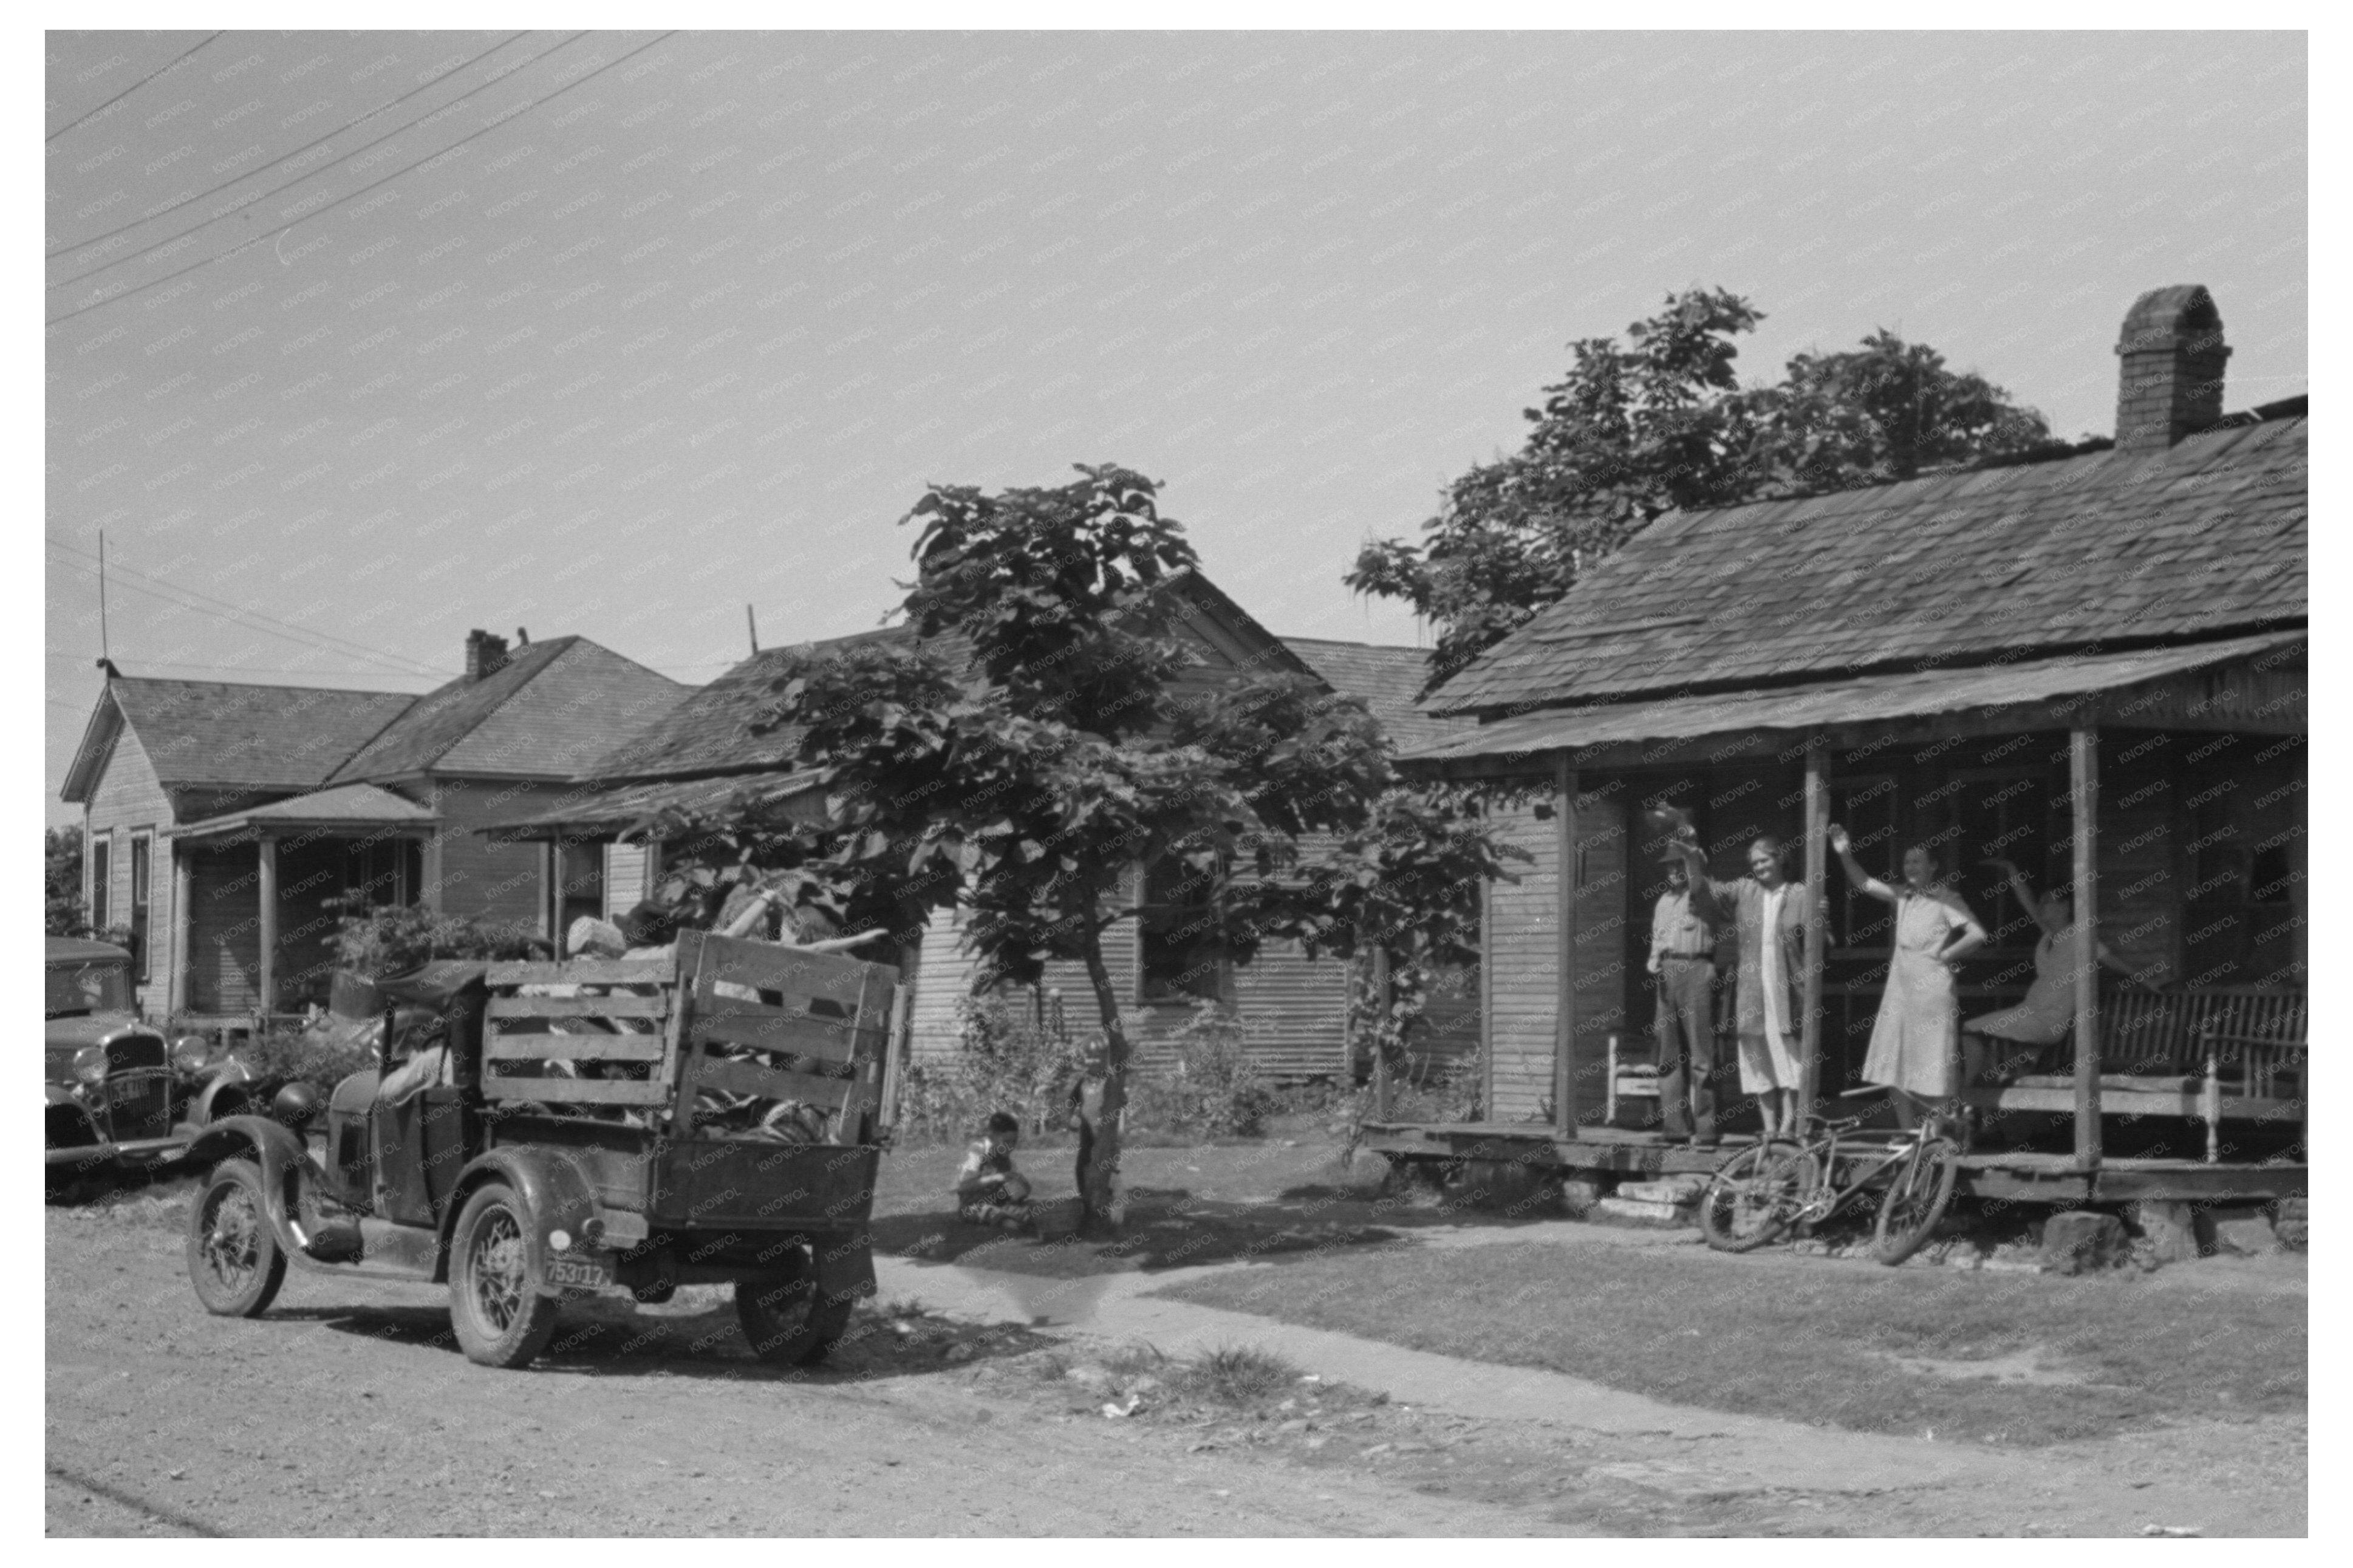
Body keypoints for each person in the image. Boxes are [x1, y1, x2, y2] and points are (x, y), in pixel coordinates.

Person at [1830, 830, 1990, 1131]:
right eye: (1907, 863)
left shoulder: (1946, 898)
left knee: (1932, 1067)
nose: (1911, 868)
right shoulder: (1904, 896)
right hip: (1899, 990)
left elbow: (1978, 934)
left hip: (1931, 992)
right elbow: (1865, 883)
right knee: (1893, 1065)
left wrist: (1945, 955)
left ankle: (1932, 1138)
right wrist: (1844, 853)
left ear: (1933, 867)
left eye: (1918, 862)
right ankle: (1907, 1134)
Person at [1667, 834, 1815, 1140]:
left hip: (1787, 988)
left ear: (1780, 859)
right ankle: (1770, 1127)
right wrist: (1693, 861)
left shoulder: (1801, 894)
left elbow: (1819, 940)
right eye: (1755, 863)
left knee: (1788, 1054)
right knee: (1756, 1054)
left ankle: (1790, 1125)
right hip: (1752, 987)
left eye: (1765, 860)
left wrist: (1821, 913)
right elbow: (1705, 891)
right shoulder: (1745, 891)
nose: (1759, 867)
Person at [1962, 858, 2142, 1085]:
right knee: (1971, 1031)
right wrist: (2012, 869)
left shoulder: (2080, 937)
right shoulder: (2049, 934)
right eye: (2042, 901)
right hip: (2028, 1011)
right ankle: (1993, 1079)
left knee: (1973, 1030)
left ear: (2065, 907)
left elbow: (2114, 962)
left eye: (2048, 901)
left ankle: (1966, 1094)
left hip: (2049, 1021)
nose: (2041, 906)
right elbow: (2027, 902)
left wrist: (2149, 978)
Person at [1646, 850, 1725, 1144]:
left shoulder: (1702, 893)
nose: (1673, 872)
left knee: (1701, 1055)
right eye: (1669, 866)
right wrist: (1654, 960)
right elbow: (1657, 939)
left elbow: (1695, 877)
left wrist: (1690, 852)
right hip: (1668, 972)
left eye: (1680, 865)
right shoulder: (1663, 901)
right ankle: (1675, 1127)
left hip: (1697, 967)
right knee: (1667, 1053)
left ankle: (1705, 1130)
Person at [955, 1111, 1036, 1231]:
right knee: (993, 1213)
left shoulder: (1007, 1161)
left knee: (1034, 1206)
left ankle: (1017, 1219)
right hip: (974, 1206)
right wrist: (997, 1178)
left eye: (1014, 1142)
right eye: (1007, 1142)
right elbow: (962, 1187)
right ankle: (1012, 1222)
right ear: (993, 1137)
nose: (1011, 1147)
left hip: (1000, 1203)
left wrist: (1022, 1186)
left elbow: (1021, 1192)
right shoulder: (978, 1151)